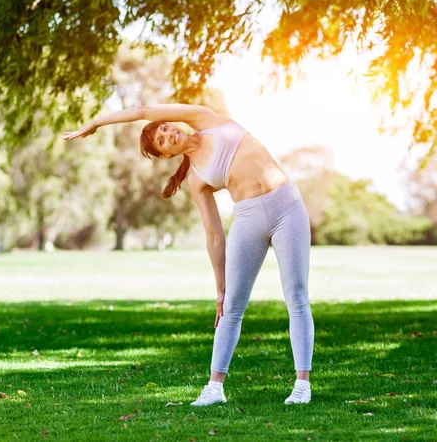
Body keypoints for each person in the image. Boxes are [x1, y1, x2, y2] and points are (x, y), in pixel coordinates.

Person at [62, 103, 314, 406]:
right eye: (162, 141)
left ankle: (302, 385)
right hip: (248, 218)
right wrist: (220, 286)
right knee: (231, 305)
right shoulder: (197, 178)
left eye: (166, 128)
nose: (168, 134)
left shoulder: (208, 120)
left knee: (296, 296)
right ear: (167, 155)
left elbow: (143, 109)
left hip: (287, 206)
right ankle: (214, 388)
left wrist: (98, 122)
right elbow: (213, 234)